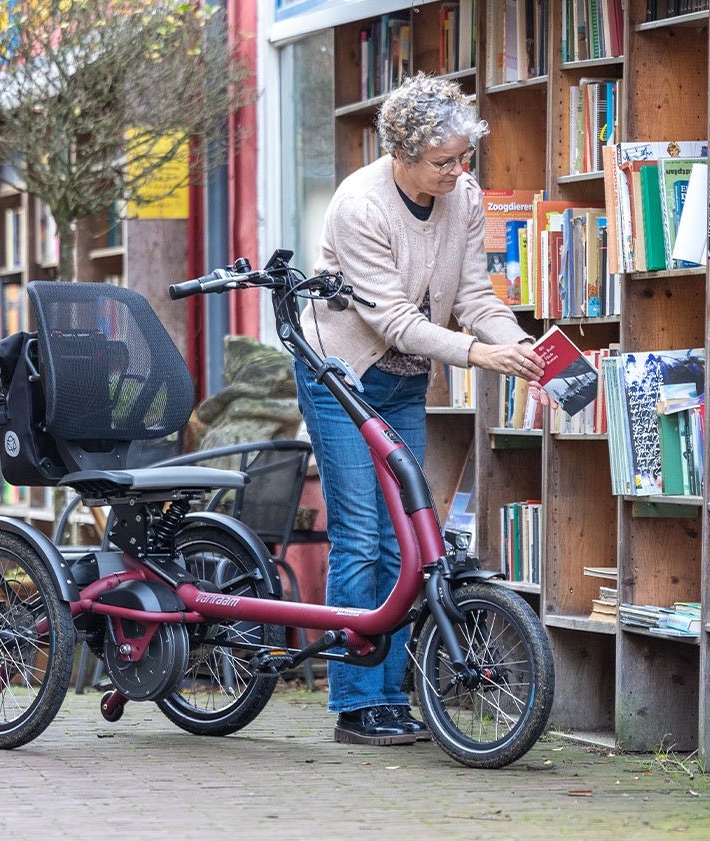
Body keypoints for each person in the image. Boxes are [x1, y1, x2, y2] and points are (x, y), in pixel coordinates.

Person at [293, 73, 553, 747]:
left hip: (404, 379)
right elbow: (396, 321)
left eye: (463, 157)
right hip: (341, 374)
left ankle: (390, 694)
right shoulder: (360, 206)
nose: (457, 171)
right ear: (401, 154)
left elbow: (472, 292)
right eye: (443, 161)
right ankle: (357, 703)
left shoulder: (461, 195)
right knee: (360, 535)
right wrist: (475, 355)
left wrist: (519, 346)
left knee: (409, 538)